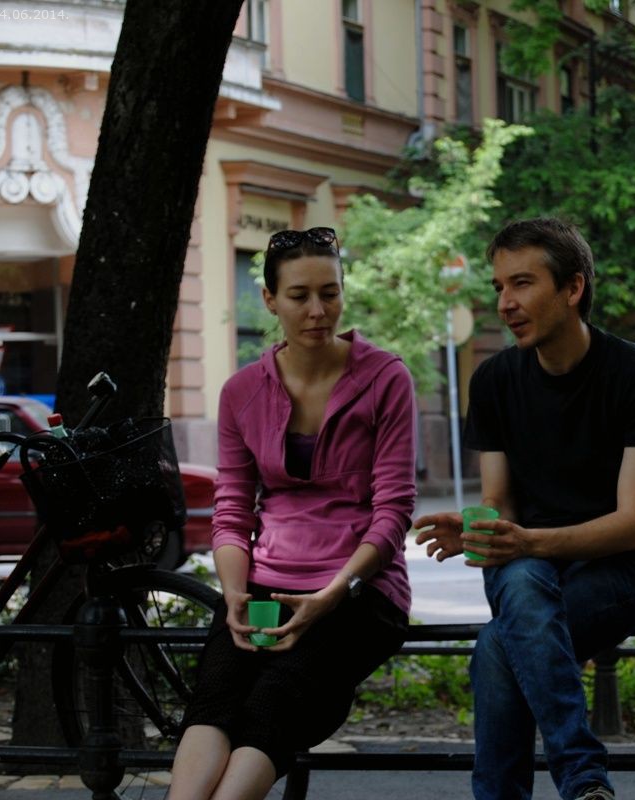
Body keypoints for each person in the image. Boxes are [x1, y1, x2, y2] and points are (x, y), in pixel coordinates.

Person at [414, 218, 635, 800]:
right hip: (524, 566)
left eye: (522, 283)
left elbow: (632, 526)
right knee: (521, 585)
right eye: (499, 287)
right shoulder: (493, 381)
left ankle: (572, 776)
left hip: (620, 571)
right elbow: (498, 502)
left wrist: (528, 542)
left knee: (497, 648)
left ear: (573, 288)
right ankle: (585, 783)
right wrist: (480, 529)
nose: (505, 303)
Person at [167, 227, 416, 800]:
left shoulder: (385, 379)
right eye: (300, 295)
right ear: (270, 300)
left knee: (273, 703)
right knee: (214, 700)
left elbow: (394, 510)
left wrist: (332, 593)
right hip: (263, 585)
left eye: (330, 293)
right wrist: (234, 593)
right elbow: (232, 511)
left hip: (360, 590)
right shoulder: (242, 392)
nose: (317, 310)